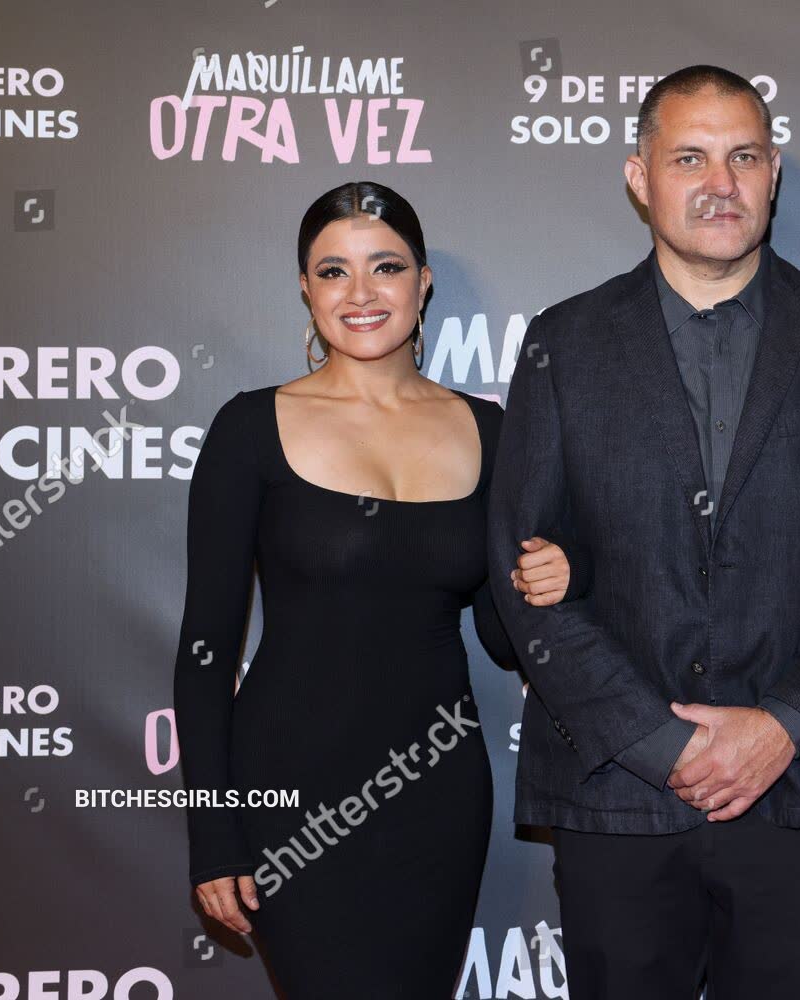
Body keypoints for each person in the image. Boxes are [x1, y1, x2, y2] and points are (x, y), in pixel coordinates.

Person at [486, 65, 800, 1000]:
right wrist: (658, 740)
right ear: (639, 176)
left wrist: (784, 729)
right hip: (617, 791)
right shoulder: (563, 343)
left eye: (744, 157)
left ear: (774, 173)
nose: (721, 183)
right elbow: (524, 578)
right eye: (689, 158)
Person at [172, 181, 582, 998]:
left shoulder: (491, 432)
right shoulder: (251, 427)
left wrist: (556, 578)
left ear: (423, 283)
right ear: (306, 288)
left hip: (435, 793)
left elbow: (502, 638)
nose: (360, 293)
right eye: (334, 271)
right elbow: (206, 651)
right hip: (290, 791)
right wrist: (214, 834)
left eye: (385, 267)